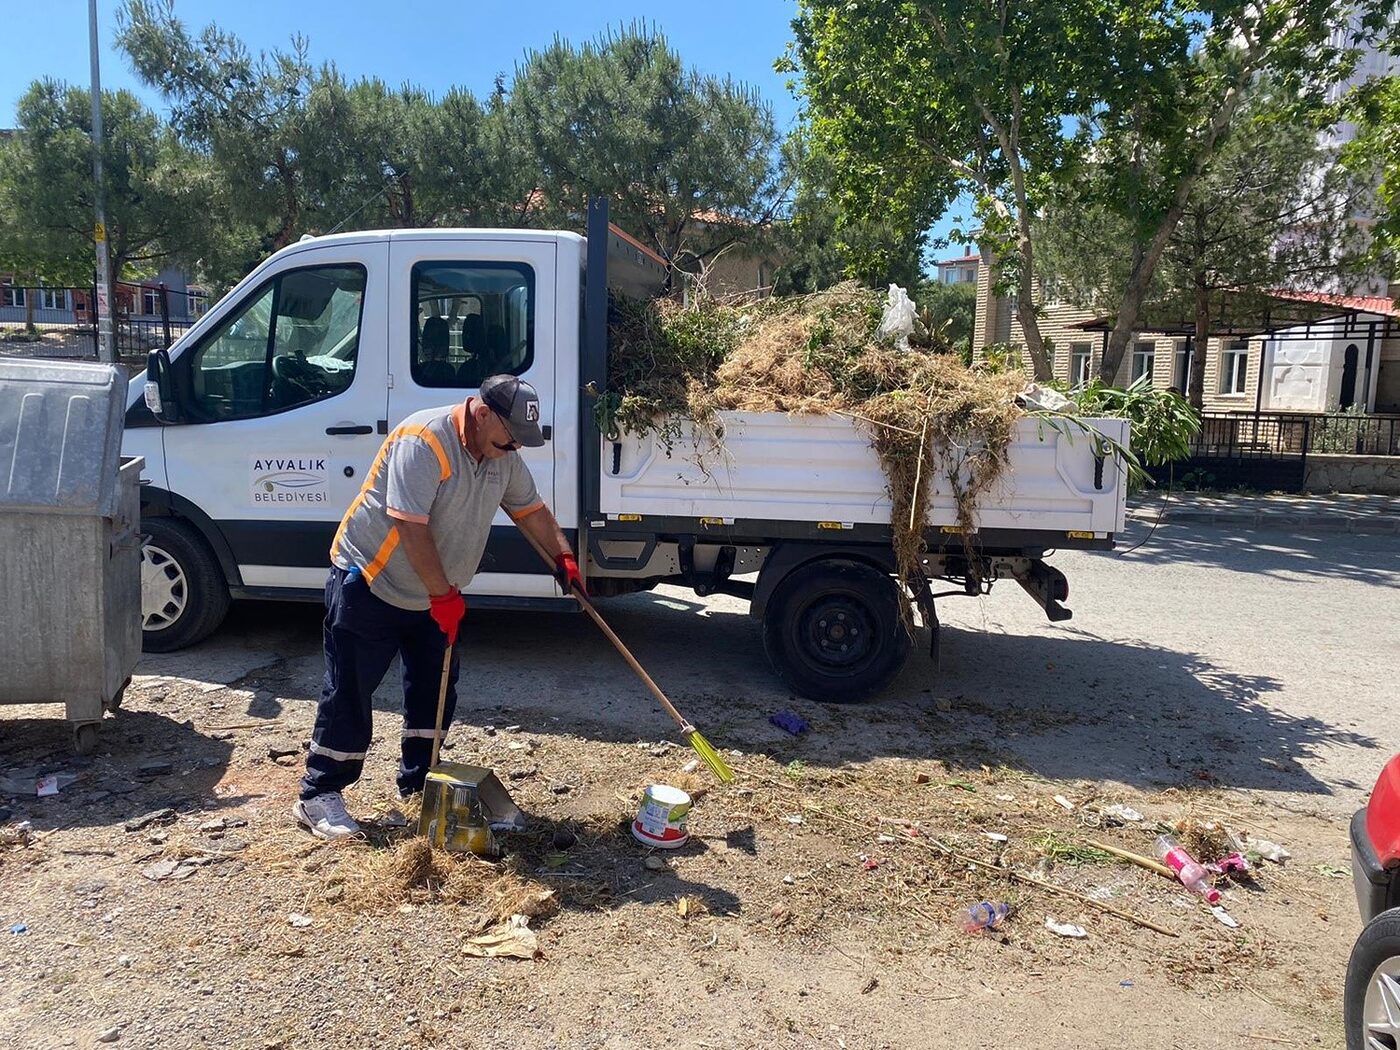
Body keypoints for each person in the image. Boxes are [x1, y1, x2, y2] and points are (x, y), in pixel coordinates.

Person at [293, 374, 583, 840]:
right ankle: (319, 794)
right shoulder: (423, 441)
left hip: (434, 593)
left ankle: (419, 785)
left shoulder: (501, 456)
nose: (513, 449)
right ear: (482, 412)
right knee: (350, 688)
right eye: (509, 438)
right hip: (371, 582)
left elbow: (531, 511)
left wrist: (564, 557)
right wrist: (443, 595)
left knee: (435, 691)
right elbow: (411, 528)